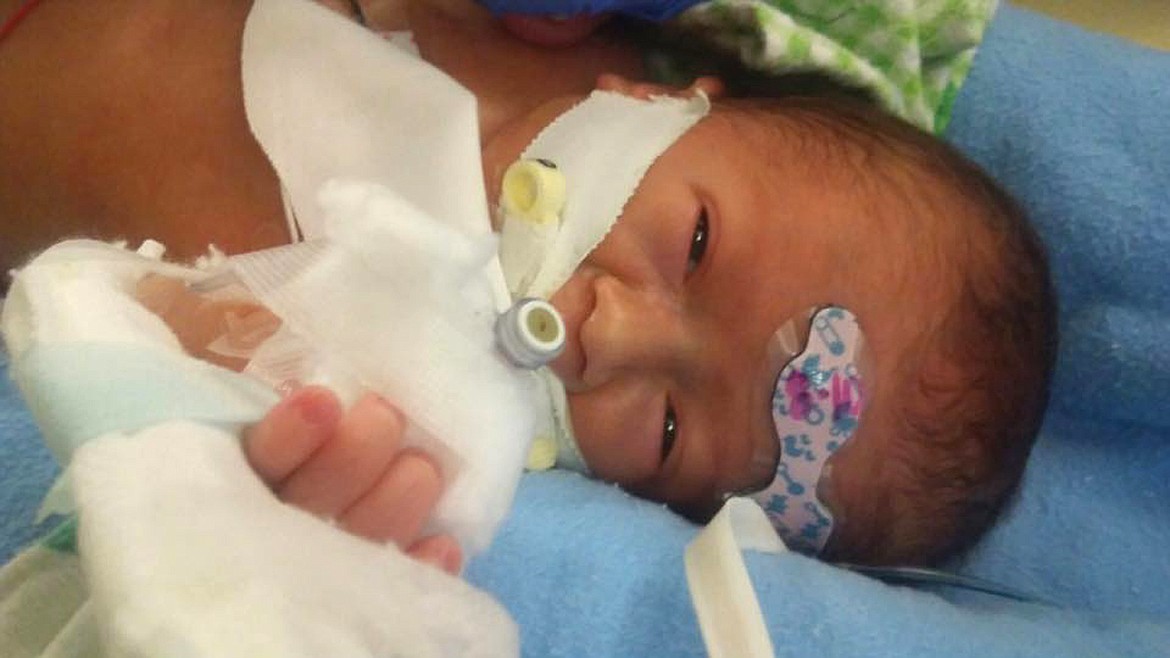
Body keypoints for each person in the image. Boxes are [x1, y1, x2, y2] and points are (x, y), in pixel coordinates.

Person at [0, 0, 1056, 568]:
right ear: (668, 97)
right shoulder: (533, 21)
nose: (620, 328)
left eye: (671, 431)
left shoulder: (415, 393)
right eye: (693, 244)